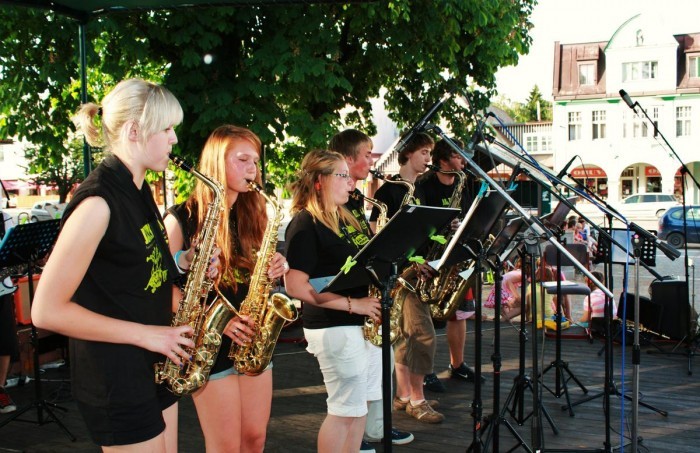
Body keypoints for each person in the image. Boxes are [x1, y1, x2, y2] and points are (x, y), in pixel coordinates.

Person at [31, 79, 196, 452]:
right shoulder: (98, 202)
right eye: (166, 129)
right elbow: (45, 310)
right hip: (117, 374)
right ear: (134, 131)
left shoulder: (138, 190)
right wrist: (147, 335)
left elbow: (136, 274)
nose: (174, 139)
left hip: (153, 362)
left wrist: (186, 264)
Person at [164, 125, 289, 452]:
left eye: (256, 161)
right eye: (243, 160)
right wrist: (219, 321)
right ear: (217, 162)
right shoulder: (181, 218)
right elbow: (162, 289)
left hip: (251, 339)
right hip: (209, 345)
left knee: (255, 439)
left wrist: (278, 267)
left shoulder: (254, 214)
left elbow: (257, 276)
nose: (253, 169)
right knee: (225, 446)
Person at [284, 149, 382, 453]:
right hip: (334, 326)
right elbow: (295, 285)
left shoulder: (343, 218)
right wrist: (354, 305)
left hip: (359, 323)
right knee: (343, 411)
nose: (351, 183)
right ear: (319, 181)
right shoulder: (305, 224)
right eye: (342, 175)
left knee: (358, 409)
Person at [329, 129, 414, 449]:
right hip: (345, 305)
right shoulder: (333, 205)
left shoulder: (356, 199)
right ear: (347, 159)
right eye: (366, 154)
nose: (371, 161)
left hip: (367, 297)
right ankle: (361, 433)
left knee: (379, 367)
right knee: (356, 380)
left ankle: (376, 428)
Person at [370, 133, 446, 423]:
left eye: (430, 153)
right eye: (424, 152)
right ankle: (417, 399)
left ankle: (404, 395)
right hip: (402, 273)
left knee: (405, 337)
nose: (428, 159)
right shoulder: (389, 191)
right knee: (422, 335)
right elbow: (377, 233)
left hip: (417, 271)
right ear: (408, 153)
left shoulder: (420, 190)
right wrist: (413, 259)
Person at [414, 138, 484, 390]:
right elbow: (419, 223)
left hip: (457, 256)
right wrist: (443, 226)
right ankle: (426, 371)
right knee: (427, 318)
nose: (463, 161)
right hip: (432, 257)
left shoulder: (463, 183)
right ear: (442, 160)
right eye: (457, 156)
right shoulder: (424, 186)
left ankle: (458, 364)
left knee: (459, 313)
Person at [0, 208, 19, 414]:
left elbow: (13, 254)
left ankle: (0, 388)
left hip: (2, 289)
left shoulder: (3, 218)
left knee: (5, 341)